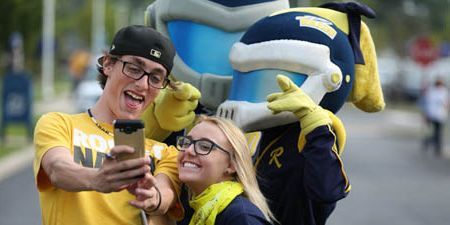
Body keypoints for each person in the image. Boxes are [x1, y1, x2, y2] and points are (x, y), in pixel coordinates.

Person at [33, 25, 183, 225]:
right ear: (108, 64)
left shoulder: (166, 153)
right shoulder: (59, 124)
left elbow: (164, 196)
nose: (143, 84)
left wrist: (151, 197)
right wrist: (97, 179)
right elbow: (58, 169)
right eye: (134, 68)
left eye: (156, 78)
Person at [177, 115, 275, 224]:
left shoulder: (241, 217)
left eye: (204, 146)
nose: (188, 150)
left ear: (232, 165)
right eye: (186, 143)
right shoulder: (195, 209)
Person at [422, 78, 449, 157]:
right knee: (438, 132)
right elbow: (446, 104)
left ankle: (428, 142)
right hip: (436, 115)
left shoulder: (437, 91)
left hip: (437, 115)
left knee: (437, 132)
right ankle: (437, 148)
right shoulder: (437, 91)